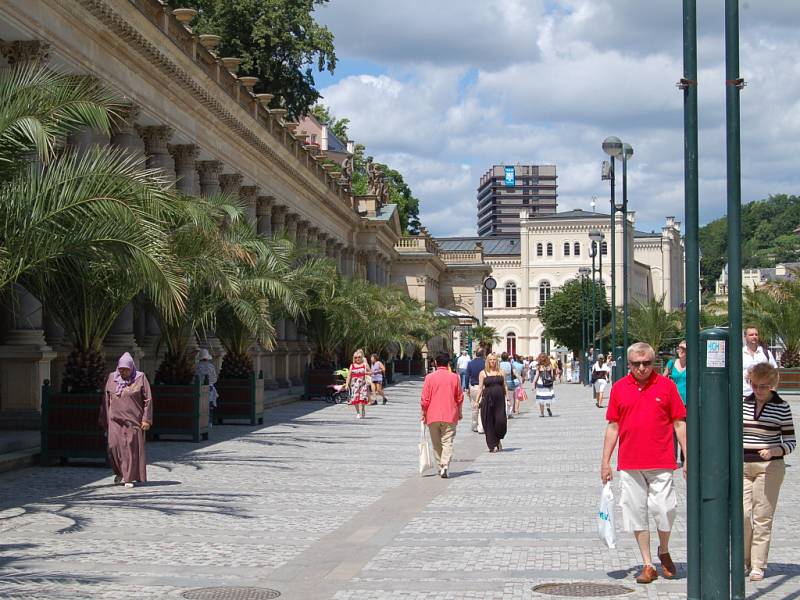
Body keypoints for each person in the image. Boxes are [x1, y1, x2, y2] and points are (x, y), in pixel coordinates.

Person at [601, 342, 687, 585]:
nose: (642, 368)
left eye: (647, 363)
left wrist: (687, 457)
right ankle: (648, 563)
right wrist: (605, 461)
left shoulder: (667, 386)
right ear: (629, 364)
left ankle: (664, 549)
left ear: (654, 363)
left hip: (661, 460)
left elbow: (679, 422)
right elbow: (613, 425)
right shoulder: (619, 388)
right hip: (630, 462)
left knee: (665, 509)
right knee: (635, 513)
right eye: (637, 364)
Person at [742, 362, 796, 582]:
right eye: (755, 386)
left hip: (770, 467)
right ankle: (745, 559)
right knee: (742, 515)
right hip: (743, 465)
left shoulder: (782, 407)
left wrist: (775, 450)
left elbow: (791, 441)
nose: (759, 391)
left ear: (772, 385)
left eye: (763, 386)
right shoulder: (742, 404)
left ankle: (757, 564)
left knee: (763, 516)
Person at [100, 352, 153, 488]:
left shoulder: (140, 378)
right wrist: (105, 419)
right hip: (114, 420)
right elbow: (106, 400)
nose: (123, 372)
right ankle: (119, 472)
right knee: (113, 446)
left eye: (126, 369)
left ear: (131, 368)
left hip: (133, 421)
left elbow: (148, 399)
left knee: (130, 447)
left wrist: (146, 419)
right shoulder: (112, 378)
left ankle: (129, 477)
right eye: (121, 369)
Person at [420, 352, 464, 479]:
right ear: (448, 363)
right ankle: (445, 465)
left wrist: (423, 413)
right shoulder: (455, 377)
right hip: (450, 414)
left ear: (435, 363)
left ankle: (440, 466)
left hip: (432, 415)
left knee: (436, 443)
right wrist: (460, 412)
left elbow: (425, 399)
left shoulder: (429, 377)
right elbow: (459, 397)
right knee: (447, 442)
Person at [476, 352, 508, 453]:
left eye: (494, 359)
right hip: (487, 400)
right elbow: (480, 388)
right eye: (490, 360)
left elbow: (505, 386)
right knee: (489, 421)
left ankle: (498, 439)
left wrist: (507, 398)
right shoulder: (483, 373)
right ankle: (492, 444)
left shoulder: (501, 372)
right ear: (487, 361)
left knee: (500, 421)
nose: (492, 361)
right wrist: (477, 401)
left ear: (497, 361)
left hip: (499, 400)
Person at [743, 326, 778, 397]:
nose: (754, 336)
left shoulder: (766, 353)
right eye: (751, 335)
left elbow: (775, 373)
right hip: (745, 395)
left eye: (756, 334)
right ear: (745, 337)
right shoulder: (739, 354)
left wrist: (773, 390)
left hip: (764, 395)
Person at [196, 348, 218, 424]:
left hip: (200, 387)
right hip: (210, 387)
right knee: (210, 405)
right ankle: (209, 422)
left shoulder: (197, 366)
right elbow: (215, 378)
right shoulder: (211, 366)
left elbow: (195, 377)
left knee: (201, 406)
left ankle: (201, 422)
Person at [345, 349, 370, 419]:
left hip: (363, 384)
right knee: (355, 398)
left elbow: (370, 372)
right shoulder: (352, 365)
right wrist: (347, 384)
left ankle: (363, 409)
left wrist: (366, 374)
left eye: (359, 357)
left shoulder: (364, 364)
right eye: (355, 357)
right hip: (354, 385)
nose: (357, 359)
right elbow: (349, 376)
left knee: (362, 398)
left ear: (362, 357)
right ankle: (358, 412)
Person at [466, 348, 486, 433]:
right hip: (483, 387)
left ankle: (474, 425)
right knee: (482, 407)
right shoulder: (485, 363)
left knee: (474, 406)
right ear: (483, 354)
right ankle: (481, 427)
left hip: (473, 387)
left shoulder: (470, 363)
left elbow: (467, 376)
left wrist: (467, 388)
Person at [532, 353, 555, 417]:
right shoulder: (549, 365)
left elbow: (536, 375)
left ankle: (542, 413)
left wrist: (533, 383)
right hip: (548, 383)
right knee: (547, 396)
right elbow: (552, 375)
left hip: (540, 383)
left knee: (541, 398)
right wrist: (551, 382)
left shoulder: (539, 366)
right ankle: (548, 407)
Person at [499, 352, 517, 419]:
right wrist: (519, 380)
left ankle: (503, 412)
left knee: (502, 398)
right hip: (509, 382)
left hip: (500, 382)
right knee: (511, 398)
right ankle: (509, 413)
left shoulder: (499, 364)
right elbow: (515, 373)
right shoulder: (511, 364)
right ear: (508, 358)